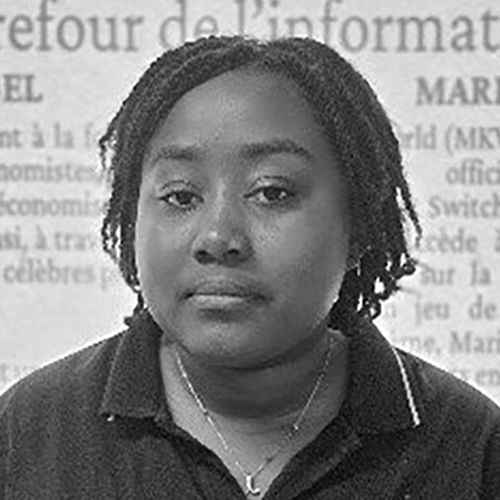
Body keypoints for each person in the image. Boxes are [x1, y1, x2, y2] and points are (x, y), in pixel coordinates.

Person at [1, 35, 499, 499]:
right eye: (180, 196)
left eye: (272, 192)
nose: (218, 238)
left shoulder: (469, 445)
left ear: (359, 226)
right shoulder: (30, 433)